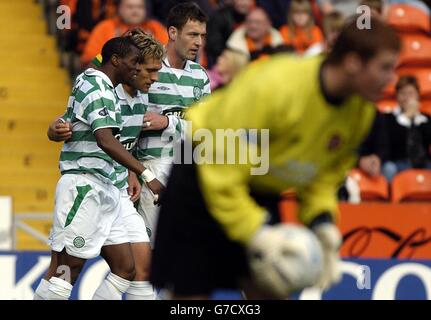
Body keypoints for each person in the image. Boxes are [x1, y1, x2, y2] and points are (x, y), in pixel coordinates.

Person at [150, 16, 401, 299]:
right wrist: (257, 232)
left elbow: (323, 176)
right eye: (385, 68)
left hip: (259, 180)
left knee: (270, 289)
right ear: (353, 62)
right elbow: (221, 174)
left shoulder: (361, 111)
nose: (392, 79)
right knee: (190, 297)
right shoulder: (276, 85)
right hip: (201, 165)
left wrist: (323, 225)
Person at [36, 31, 165, 300]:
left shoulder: (113, 89)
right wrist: (147, 174)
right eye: (135, 62)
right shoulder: (95, 84)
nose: (139, 68)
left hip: (109, 186)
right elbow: (105, 140)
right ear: (117, 61)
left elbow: (104, 135)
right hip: (85, 184)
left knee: (126, 268)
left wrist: (131, 171)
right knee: (66, 269)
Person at [134, 2, 210, 246]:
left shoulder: (200, 75)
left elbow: (205, 130)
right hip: (152, 167)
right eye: (193, 34)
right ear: (173, 33)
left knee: (183, 252)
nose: (199, 42)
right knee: (150, 253)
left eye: (202, 35)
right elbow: (137, 120)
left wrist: (166, 121)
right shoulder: (148, 68)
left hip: (186, 167)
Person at [81, 0, 168, 66]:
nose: (135, 11)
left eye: (140, 7)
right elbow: (88, 60)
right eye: (130, 7)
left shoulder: (156, 28)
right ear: (119, 8)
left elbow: (167, 57)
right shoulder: (105, 27)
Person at [381, 75, 431, 181]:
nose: (407, 98)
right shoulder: (388, 118)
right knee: (389, 168)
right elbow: (391, 143)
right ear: (397, 96)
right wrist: (407, 116)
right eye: (403, 93)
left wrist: (416, 118)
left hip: (423, 164)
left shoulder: (425, 118)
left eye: (411, 93)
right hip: (397, 163)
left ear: (417, 95)